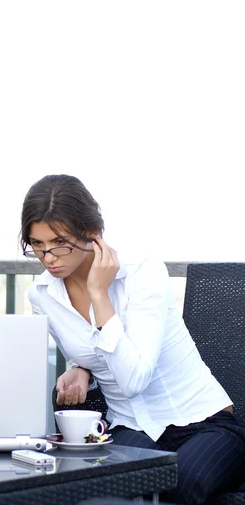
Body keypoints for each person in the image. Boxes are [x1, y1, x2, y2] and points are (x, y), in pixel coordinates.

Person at [21, 174, 245, 505]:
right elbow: (88, 348)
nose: (49, 257)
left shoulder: (143, 274)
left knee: (178, 482)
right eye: (37, 245)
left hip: (202, 423)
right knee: (106, 483)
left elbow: (135, 379)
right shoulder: (42, 295)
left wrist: (100, 294)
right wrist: (80, 368)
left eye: (59, 243)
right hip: (129, 427)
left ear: (93, 237)